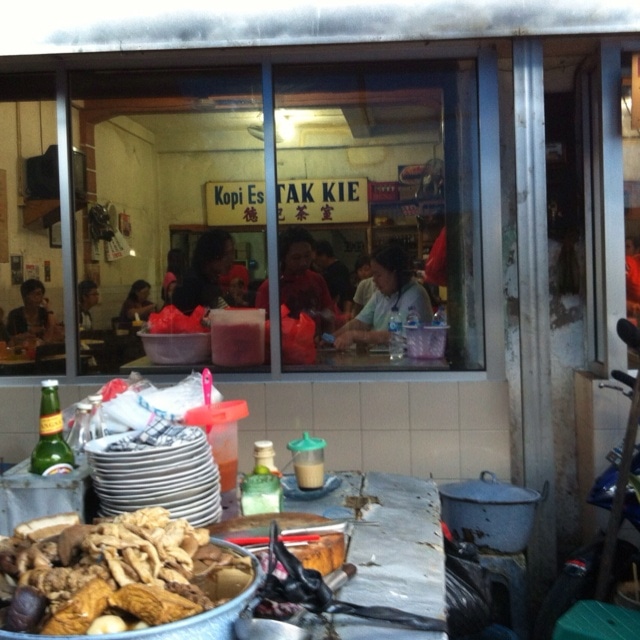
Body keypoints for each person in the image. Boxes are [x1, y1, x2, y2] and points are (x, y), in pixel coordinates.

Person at [332, 243, 433, 350]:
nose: (374, 280)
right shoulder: (381, 293)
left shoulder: (416, 295)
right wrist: (333, 337)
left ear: (395, 274)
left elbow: (397, 335)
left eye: (378, 275)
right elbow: (360, 322)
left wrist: (355, 335)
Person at [255, 227, 336, 334]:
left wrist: (328, 339)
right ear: (283, 258)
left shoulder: (317, 280)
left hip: (315, 342)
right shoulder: (270, 287)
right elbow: (262, 327)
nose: (303, 262)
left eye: (307, 256)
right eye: (296, 258)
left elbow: (328, 317)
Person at [172, 229, 235, 314]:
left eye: (232, 253)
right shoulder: (190, 284)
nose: (231, 259)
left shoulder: (211, 280)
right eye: (226, 254)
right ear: (211, 255)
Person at [6, 279, 62, 345]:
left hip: (44, 348)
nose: (37, 298)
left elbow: (54, 331)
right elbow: (10, 339)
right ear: (25, 297)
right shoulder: (15, 315)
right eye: (33, 294)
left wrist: (49, 310)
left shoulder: (44, 312)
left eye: (39, 294)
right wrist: (29, 333)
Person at [314, 239, 354, 315]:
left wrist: (347, 312)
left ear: (324, 256)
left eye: (316, 260)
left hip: (337, 311)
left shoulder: (339, 269)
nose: (316, 263)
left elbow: (346, 292)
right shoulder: (325, 271)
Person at [351, 253, 377, 318]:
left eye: (366, 269)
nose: (363, 273)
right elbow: (356, 309)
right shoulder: (359, 285)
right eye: (360, 270)